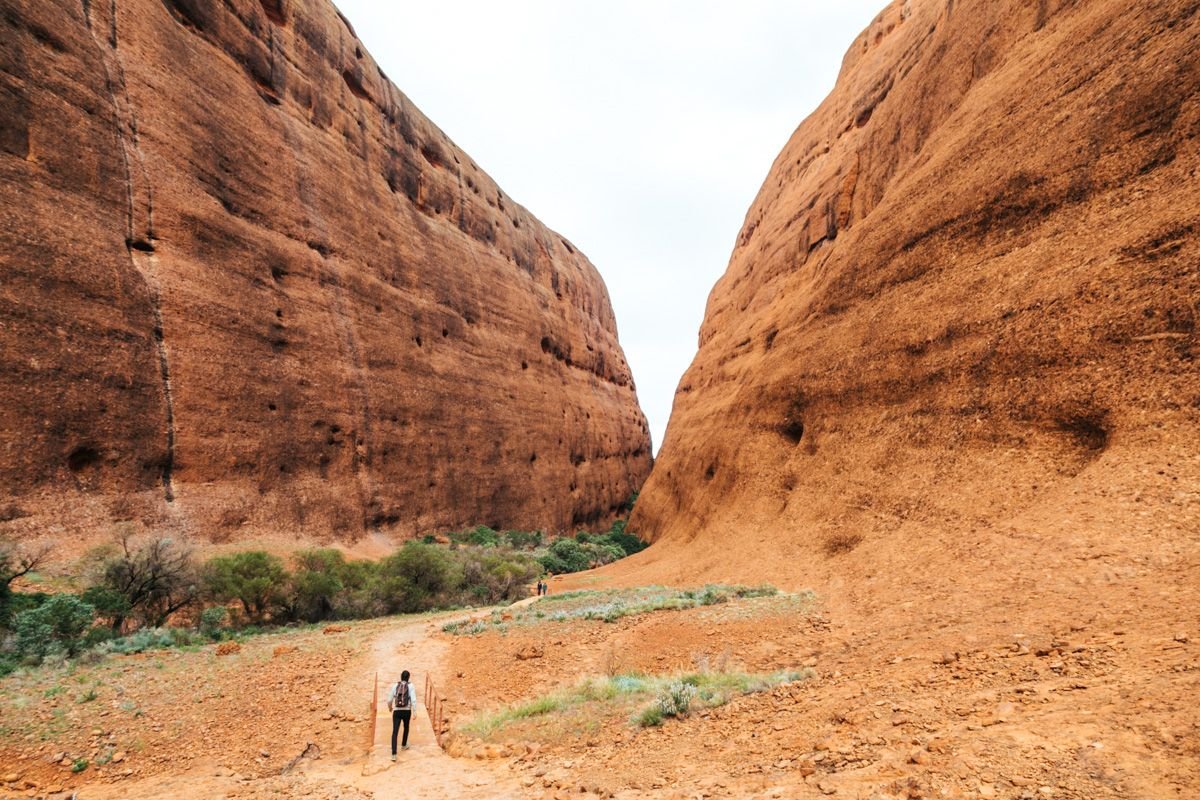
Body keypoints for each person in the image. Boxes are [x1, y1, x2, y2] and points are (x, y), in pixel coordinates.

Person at [387, 669, 414, 760]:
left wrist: (390, 707)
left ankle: (394, 754)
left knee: (395, 731)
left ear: (401, 677)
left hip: (397, 711)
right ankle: (404, 744)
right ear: (408, 678)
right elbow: (413, 699)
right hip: (407, 711)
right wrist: (415, 711)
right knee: (406, 727)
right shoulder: (410, 686)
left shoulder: (395, 686)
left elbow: (389, 699)